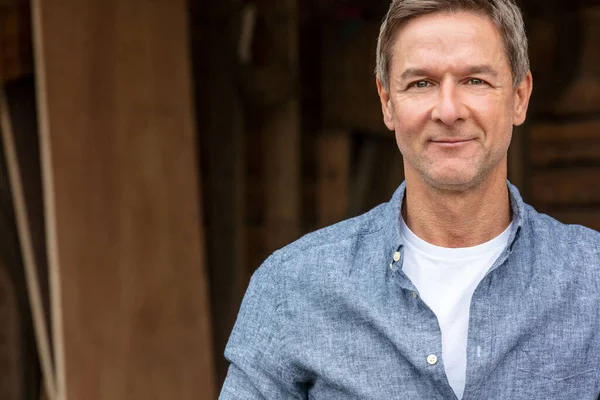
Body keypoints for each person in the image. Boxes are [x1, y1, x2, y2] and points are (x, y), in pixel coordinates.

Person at [219, 0, 600, 398]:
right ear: (387, 103)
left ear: (520, 97)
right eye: (421, 83)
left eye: (475, 81)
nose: (449, 110)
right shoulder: (293, 285)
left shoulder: (592, 278)